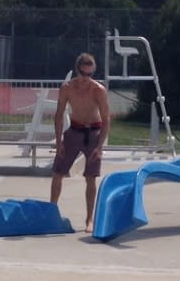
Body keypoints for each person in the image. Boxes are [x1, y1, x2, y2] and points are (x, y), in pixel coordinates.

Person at [50, 53, 110, 233]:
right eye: (83, 74)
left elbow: (106, 118)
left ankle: (89, 219)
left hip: (93, 132)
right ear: (77, 71)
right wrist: (60, 141)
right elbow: (59, 115)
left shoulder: (98, 89)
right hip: (74, 132)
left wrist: (100, 146)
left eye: (90, 75)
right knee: (58, 172)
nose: (86, 79)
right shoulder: (67, 88)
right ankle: (51, 211)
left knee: (90, 177)